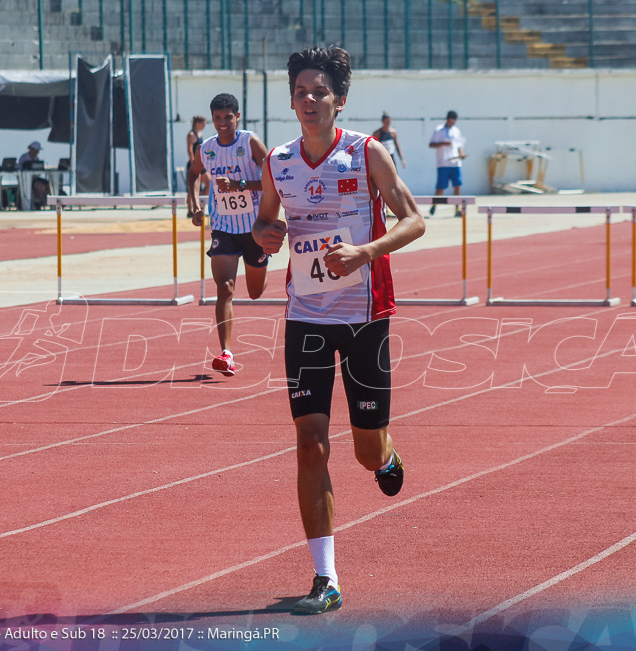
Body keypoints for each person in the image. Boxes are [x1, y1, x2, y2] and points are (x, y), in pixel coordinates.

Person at [252, 46, 426, 615]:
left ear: (339, 100)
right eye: (300, 91)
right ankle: (325, 579)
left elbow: (415, 219)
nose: (307, 99)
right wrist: (266, 237)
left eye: (318, 91)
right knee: (309, 445)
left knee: (365, 451)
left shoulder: (365, 152)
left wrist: (366, 252)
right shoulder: (277, 160)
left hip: (364, 316)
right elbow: (267, 221)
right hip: (305, 316)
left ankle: (386, 457)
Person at [186, 94, 270, 377]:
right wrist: (195, 204)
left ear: (237, 116)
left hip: (255, 227)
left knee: (255, 292)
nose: (223, 123)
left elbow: (274, 177)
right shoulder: (206, 147)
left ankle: (260, 267)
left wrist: (239, 184)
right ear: (212, 118)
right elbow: (194, 173)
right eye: (218, 118)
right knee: (225, 288)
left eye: (228, 117)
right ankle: (226, 353)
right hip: (223, 227)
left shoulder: (249, 143)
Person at [428, 110, 466, 217]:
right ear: (447, 119)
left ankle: (457, 208)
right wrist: (443, 143)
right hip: (443, 163)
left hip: (455, 163)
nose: (452, 122)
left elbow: (459, 145)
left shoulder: (456, 131)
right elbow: (431, 144)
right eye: (450, 120)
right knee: (441, 187)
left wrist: (461, 154)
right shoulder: (439, 130)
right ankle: (434, 204)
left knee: (457, 186)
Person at [186, 115, 209, 217]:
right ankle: (190, 210)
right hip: (194, 163)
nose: (204, 126)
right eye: (203, 124)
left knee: (208, 182)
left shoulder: (200, 134)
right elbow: (190, 149)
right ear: (198, 123)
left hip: (201, 163)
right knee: (192, 188)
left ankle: (200, 204)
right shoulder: (191, 134)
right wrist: (193, 163)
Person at [17, 140, 50, 209]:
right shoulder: (24, 157)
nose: (37, 152)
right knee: (39, 185)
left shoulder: (36, 158)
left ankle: (46, 202)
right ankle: (38, 202)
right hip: (27, 180)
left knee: (48, 185)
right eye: (36, 150)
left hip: (35, 178)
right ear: (32, 149)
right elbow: (19, 169)